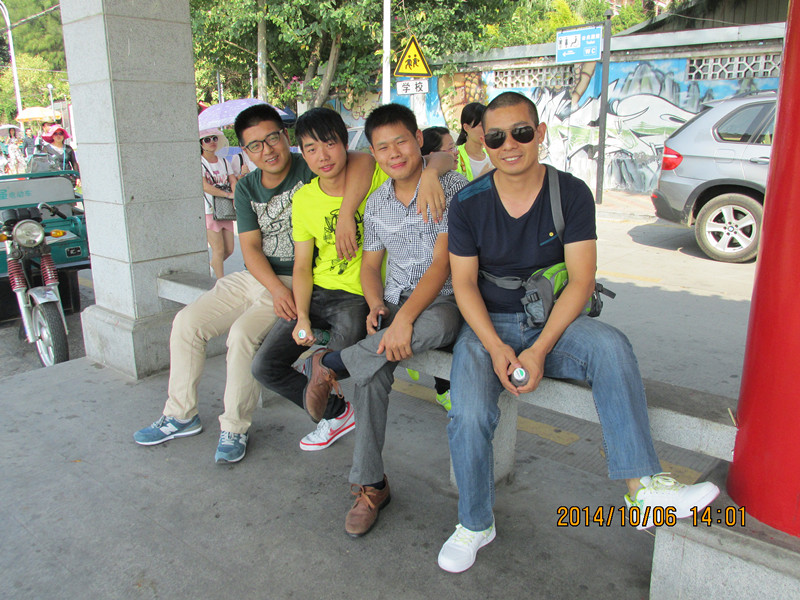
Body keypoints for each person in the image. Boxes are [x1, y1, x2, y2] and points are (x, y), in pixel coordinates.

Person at [438, 91, 720, 573]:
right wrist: (497, 346)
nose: (510, 145)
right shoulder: (468, 202)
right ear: (483, 140)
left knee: (610, 347)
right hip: (489, 326)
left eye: (521, 132)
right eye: (497, 137)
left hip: (551, 322)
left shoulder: (569, 193)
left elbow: (582, 280)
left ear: (540, 133)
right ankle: (474, 522)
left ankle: (644, 489)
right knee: (468, 414)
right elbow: (463, 283)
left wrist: (539, 350)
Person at [133, 104, 445, 465]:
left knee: (264, 340)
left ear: (286, 138)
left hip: (346, 291)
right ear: (244, 151)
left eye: (272, 139)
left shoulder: (327, 166)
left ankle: (245, 419)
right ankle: (184, 413)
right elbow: (269, 255)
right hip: (288, 283)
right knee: (214, 338)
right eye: (254, 145)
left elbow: (374, 158)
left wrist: (421, 176)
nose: (267, 150)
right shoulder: (270, 190)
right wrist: (293, 305)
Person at [302, 104, 468, 537]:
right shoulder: (376, 203)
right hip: (395, 301)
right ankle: (371, 485)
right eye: (382, 147)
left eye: (401, 142)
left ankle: (332, 363)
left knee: (435, 327)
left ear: (418, 140)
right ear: (373, 154)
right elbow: (371, 266)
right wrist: (377, 305)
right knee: (372, 374)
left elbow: (442, 266)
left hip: (446, 300)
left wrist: (404, 321)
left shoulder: (452, 187)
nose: (394, 153)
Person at [250, 107, 385, 451]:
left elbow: (369, 159)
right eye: (311, 149)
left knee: (344, 355)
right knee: (264, 366)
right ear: (302, 152)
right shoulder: (305, 199)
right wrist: (302, 315)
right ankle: (336, 413)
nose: (322, 156)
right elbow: (301, 265)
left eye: (330, 143)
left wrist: (346, 214)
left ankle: (320, 360)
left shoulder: (372, 178)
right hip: (317, 293)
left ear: (345, 143)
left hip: (357, 294)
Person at [404, 125, 461, 411]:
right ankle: (441, 385)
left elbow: (444, 159)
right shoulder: (387, 185)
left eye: (455, 146)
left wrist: (431, 173)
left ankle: (442, 386)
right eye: (449, 147)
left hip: (448, 280)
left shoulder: (451, 180)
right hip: (409, 281)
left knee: (445, 325)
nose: (455, 153)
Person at [200, 127, 237, 279]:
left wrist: (234, 195)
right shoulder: (200, 163)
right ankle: (220, 282)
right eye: (207, 140)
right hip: (209, 210)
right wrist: (227, 194)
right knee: (219, 250)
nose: (212, 142)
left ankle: (212, 266)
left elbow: (232, 180)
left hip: (225, 209)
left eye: (214, 138)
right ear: (201, 143)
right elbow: (204, 186)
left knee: (229, 249)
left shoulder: (223, 161)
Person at [455, 102, 491, 181]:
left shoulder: (492, 155)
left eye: (488, 124)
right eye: (481, 125)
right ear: (466, 127)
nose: (486, 130)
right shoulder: (455, 157)